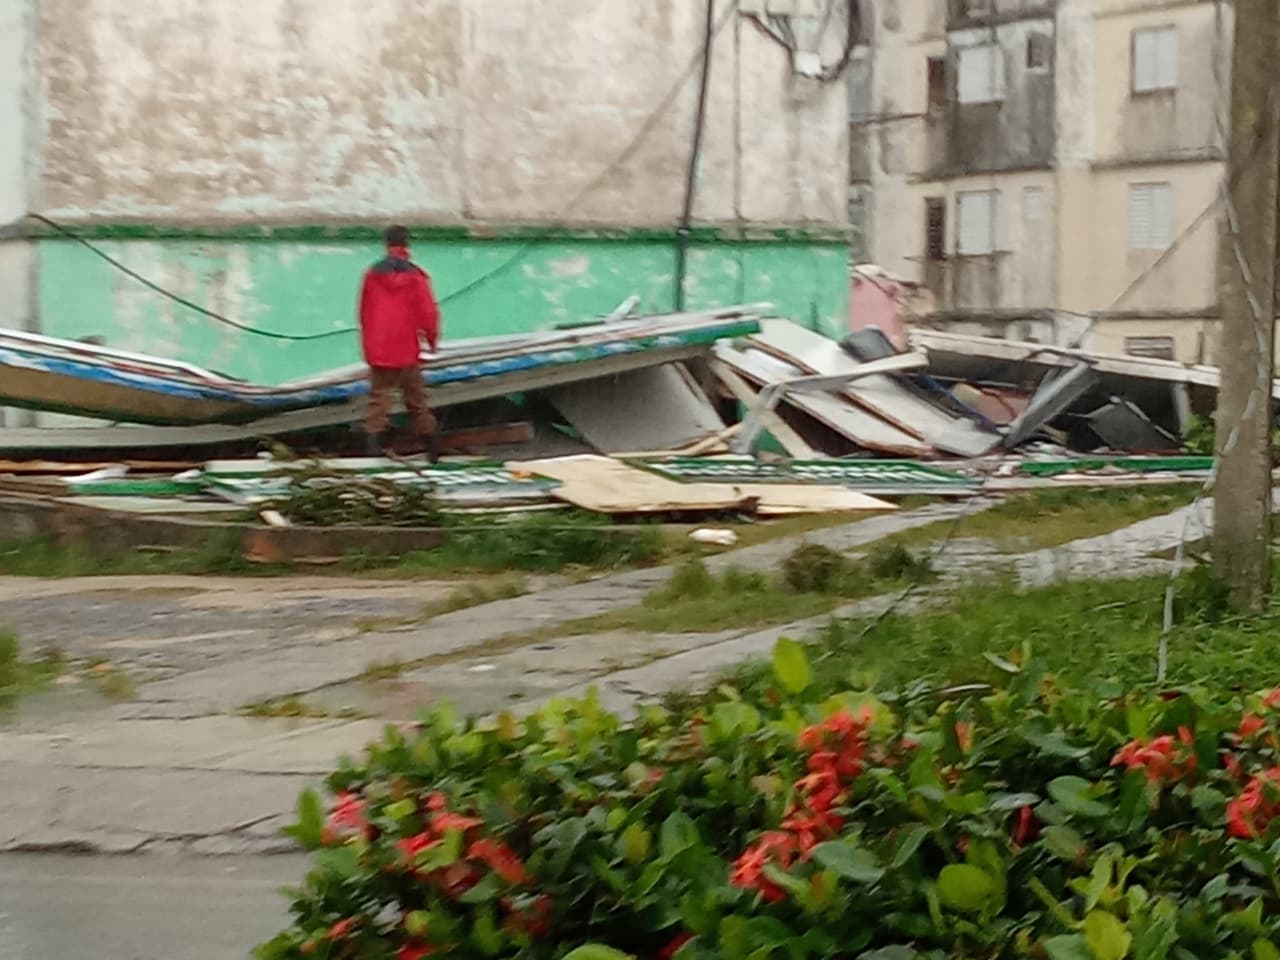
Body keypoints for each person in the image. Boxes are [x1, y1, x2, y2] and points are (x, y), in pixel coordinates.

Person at [358, 225, 442, 458]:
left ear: (386, 243)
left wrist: (368, 345)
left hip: (380, 349)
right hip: (406, 348)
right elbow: (428, 312)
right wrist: (432, 340)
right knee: (416, 400)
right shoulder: (417, 276)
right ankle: (432, 449)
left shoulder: (371, 275)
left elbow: (364, 313)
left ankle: (373, 451)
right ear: (407, 244)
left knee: (378, 400)